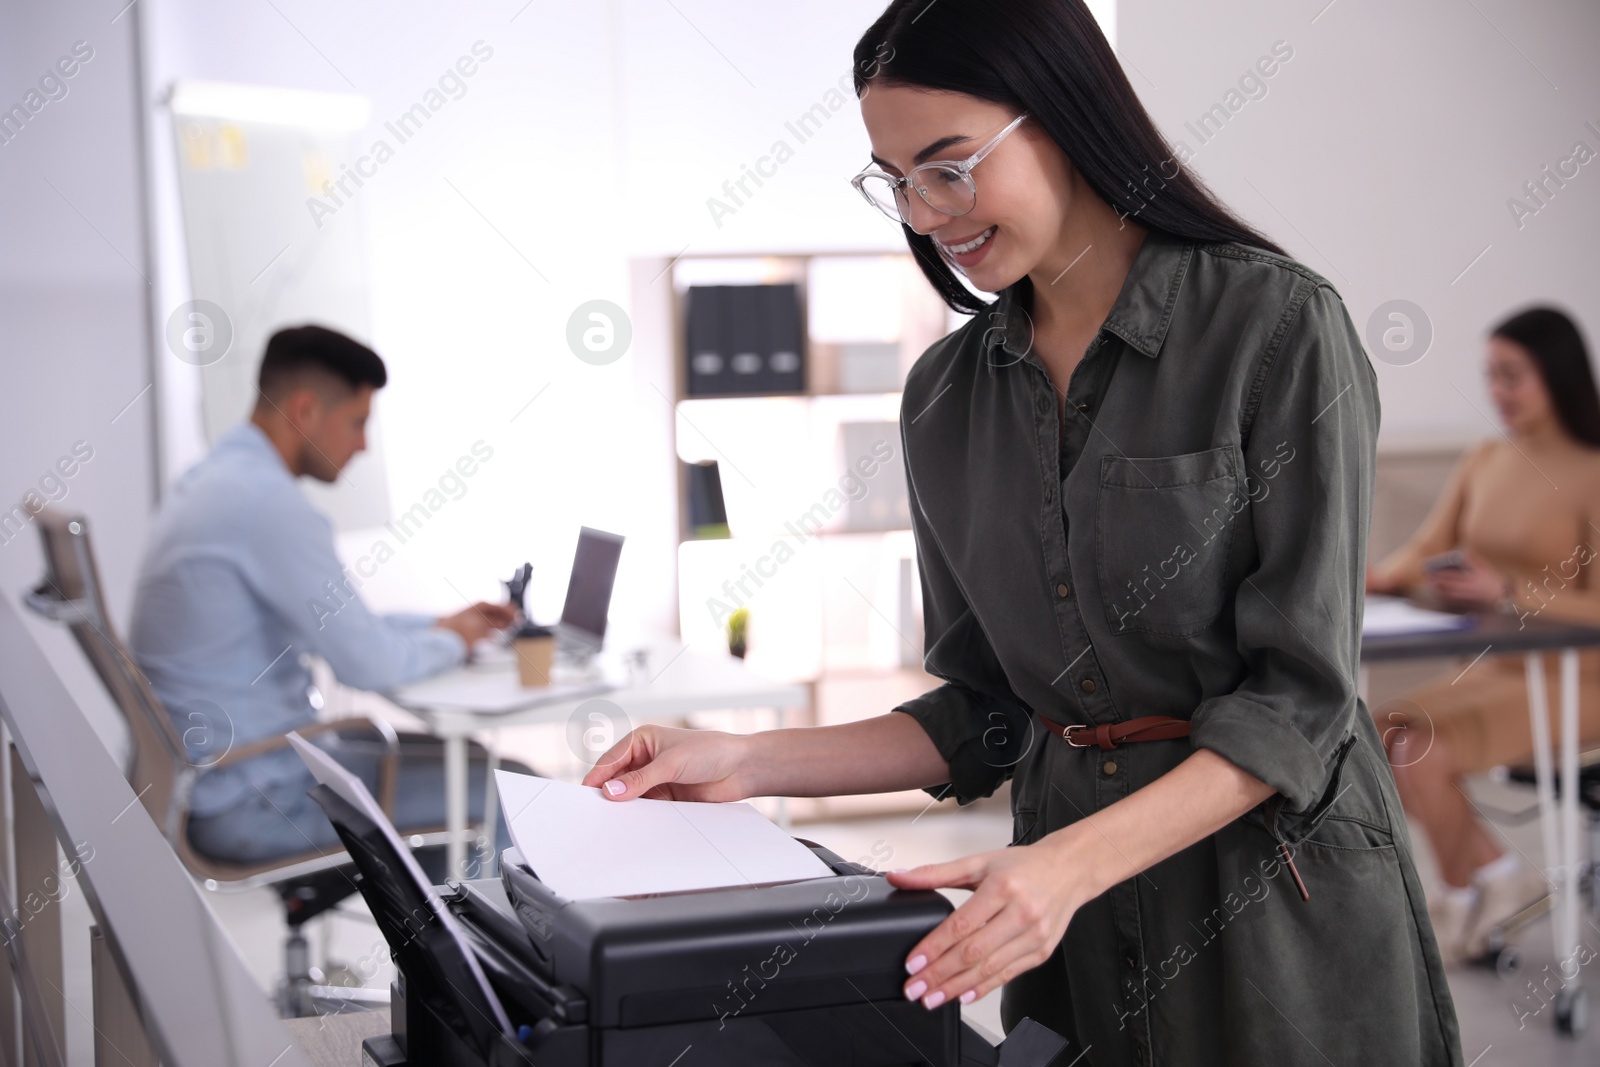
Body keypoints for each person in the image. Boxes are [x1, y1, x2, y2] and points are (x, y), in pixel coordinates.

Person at [581, 2, 1462, 1063]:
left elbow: (1298, 703)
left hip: (1276, 899)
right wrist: (748, 757)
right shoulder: (944, 396)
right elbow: (984, 711)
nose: (924, 209)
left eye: (949, 165)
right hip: (1060, 911)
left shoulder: (1272, 328)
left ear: (1064, 116)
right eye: (895, 177)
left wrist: (1066, 867)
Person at [131, 324, 528, 876]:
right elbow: (366, 661)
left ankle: (440, 946)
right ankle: (478, 962)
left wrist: (440, 624)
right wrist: (453, 642)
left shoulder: (215, 482)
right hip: (259, 799)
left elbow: (340, 625)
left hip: (217, 781)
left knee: (486, 767)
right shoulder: (265, 505)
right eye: (358, 422)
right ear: (305, 411)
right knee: (514, 794)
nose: (364, 444)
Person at [1367, 306, 1600, 963]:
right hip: (1498, 668)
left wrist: (1510, 593)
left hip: (1577, 677)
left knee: (1420, 750)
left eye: (1512, 375)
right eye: (1489, 375)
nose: (1496, 390)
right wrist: (1377, 578)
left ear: (1557, 375)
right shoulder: (1487, 458)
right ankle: (1499, 877)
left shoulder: (1592, 468)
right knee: (1377, 731)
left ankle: (1462, 890)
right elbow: (1429, 547)